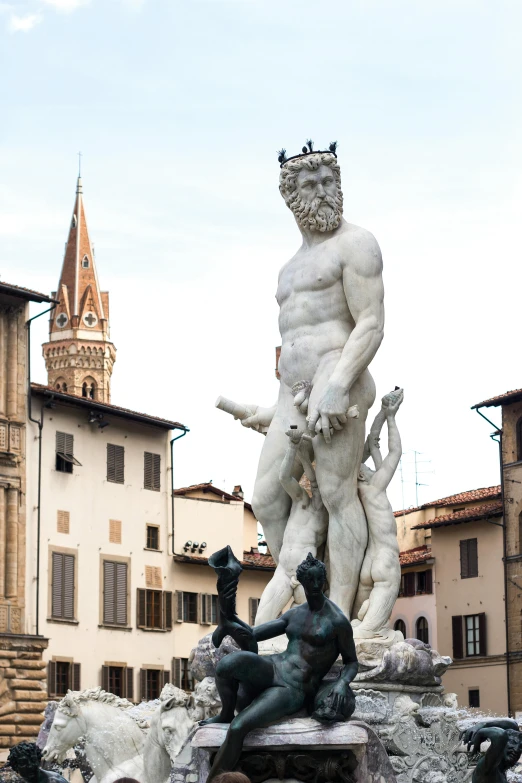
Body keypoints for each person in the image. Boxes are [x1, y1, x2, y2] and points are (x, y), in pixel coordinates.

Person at [228, 144, 385, 618]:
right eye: (310, 184)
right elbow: (294, 343)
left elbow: (372, 322)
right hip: (291, 396)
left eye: (328, 181)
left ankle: (336, 613)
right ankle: (302, 592)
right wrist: (276, 410)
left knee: (337, 494)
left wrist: (338, 381)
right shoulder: (288, 269)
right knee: (267, 499)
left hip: (340, 378)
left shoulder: (356, 243)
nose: (323, 192)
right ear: (290, 196)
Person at [202, 553, 358, 782]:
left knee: (238, 728)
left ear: (324, 581)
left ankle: (215, 779)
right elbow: (254, 634)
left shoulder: (337, 621)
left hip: (293, 687)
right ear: (303, 582)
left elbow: (351, 661)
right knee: (227, 665)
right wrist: (227, 615)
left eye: (319, 580)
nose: (315, 585)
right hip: (274, 666)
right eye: (310, 580)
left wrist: (342, 683)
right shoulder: (295, 614)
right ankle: (225, 712)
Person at [254, 428, 328, 624]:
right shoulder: (301, 500)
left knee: (304, 628)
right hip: (284, 572)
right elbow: (284, 478)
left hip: (307, 581)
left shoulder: (329, 517)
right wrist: (292, 447)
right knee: (262, 620)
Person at [351, 388, 403, 638]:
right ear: (362, 474)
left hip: (368, 564)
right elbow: (396, 453)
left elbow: (373, 441)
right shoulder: (374, 486)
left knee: (355, 625)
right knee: (369, 633)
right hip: (385, 558)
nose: (375, 468)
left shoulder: (364, 489)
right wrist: (391, 418)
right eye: (368, 467)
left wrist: (383, 412)